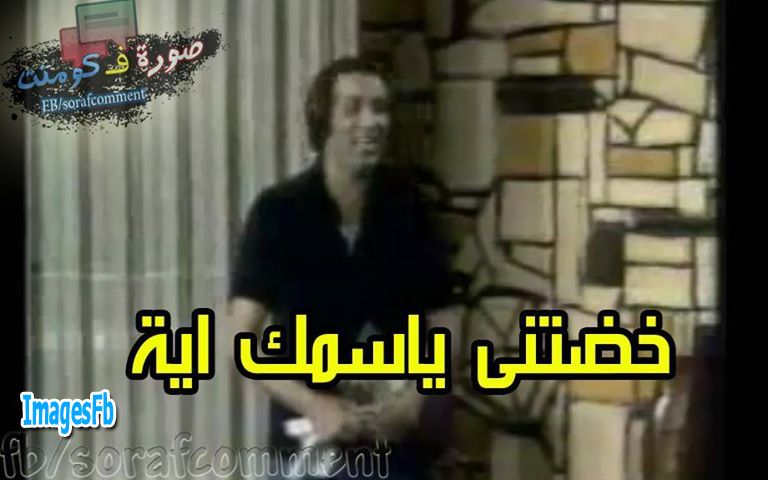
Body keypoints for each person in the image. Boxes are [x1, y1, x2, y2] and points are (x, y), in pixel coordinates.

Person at [228, 56, 459, 480]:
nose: (371, 121)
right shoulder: (279, 211)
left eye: (380, 108)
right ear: (323, 122)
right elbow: (239, 339)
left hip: (397, 452)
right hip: (306, 451)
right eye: (353, 108)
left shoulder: (410, 208)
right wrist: (314, 405)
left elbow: (445, 320)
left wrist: (417, 399)